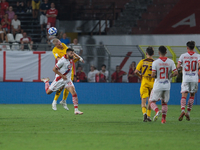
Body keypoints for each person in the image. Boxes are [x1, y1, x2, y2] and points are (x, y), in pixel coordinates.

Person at [41, 48, 84, 115]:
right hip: (59, 79)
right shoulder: (62, 61)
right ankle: (46, 81)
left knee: (73, 92)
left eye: (73, 53)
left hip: (67, 80)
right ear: (67, 54)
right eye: (71, 53)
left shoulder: (71, 58)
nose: (73, 55)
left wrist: (80, 59)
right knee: (48, 92)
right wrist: (62, 75)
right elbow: (54, 69)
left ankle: (76, 110)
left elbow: (77, 58)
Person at [51, 38, 84, 111]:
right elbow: (59, 59)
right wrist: (66, 61)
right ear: (56, 45)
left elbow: (71, 52)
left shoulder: (63, 45)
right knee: (61, 86)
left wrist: (79, 58)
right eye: (59, 44)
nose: (61, 44)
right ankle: (54, 101)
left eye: (60, 42)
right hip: (63, 69)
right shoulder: (55, 50)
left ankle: (63, 101)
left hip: (69, 68)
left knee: (69, 85)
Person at [149, 46, 178, 124]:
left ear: (158, 52)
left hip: (158, 85)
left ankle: (157, 111)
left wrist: (155, 76)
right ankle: (163, 120)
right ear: (166, 52)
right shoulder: (171, 62)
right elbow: (176, 73)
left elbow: (153, 75)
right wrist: (170, 76)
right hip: (167, 85)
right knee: (164, 102)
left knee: (151, 101)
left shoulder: (155, 62)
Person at [177, 41, 200, 121]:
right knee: (192, 95)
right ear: (194, 47)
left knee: (184, 95)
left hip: (186, 78)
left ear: (187, 47)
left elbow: (178, 66)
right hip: (194, 78)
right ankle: (188, 112)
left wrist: (183, 68)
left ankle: (183, 110)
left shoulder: (183, 56)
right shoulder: (198, 56)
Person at [134, 47, 154, 122]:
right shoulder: (154, 62)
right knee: (150, 100)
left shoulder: (142, 61)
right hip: (152, 83)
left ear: (146, 53)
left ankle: (144, 113)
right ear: (153, 54)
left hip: (144, 82)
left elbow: (136, 71)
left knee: (143, 100)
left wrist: (140, 76)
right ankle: (148, 116)